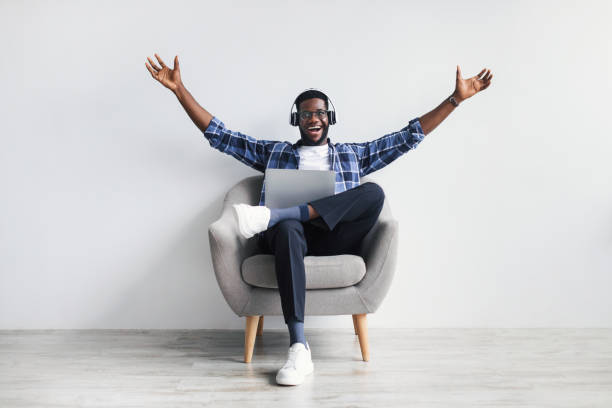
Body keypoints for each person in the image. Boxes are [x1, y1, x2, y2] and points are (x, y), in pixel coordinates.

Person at [145, 53, 493, 386]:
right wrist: (180, 90)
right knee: (288, 228)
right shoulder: (276, 153)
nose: (314, 119)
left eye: (321, 113)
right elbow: (221, 136)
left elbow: (408, 137)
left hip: (333, 238)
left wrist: (455, 100)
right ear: (297, 119)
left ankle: (274, 214)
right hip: (288, 237)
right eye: (307, 114)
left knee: (374, 193)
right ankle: (299, 347)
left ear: (330, 118)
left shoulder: (351, 155)